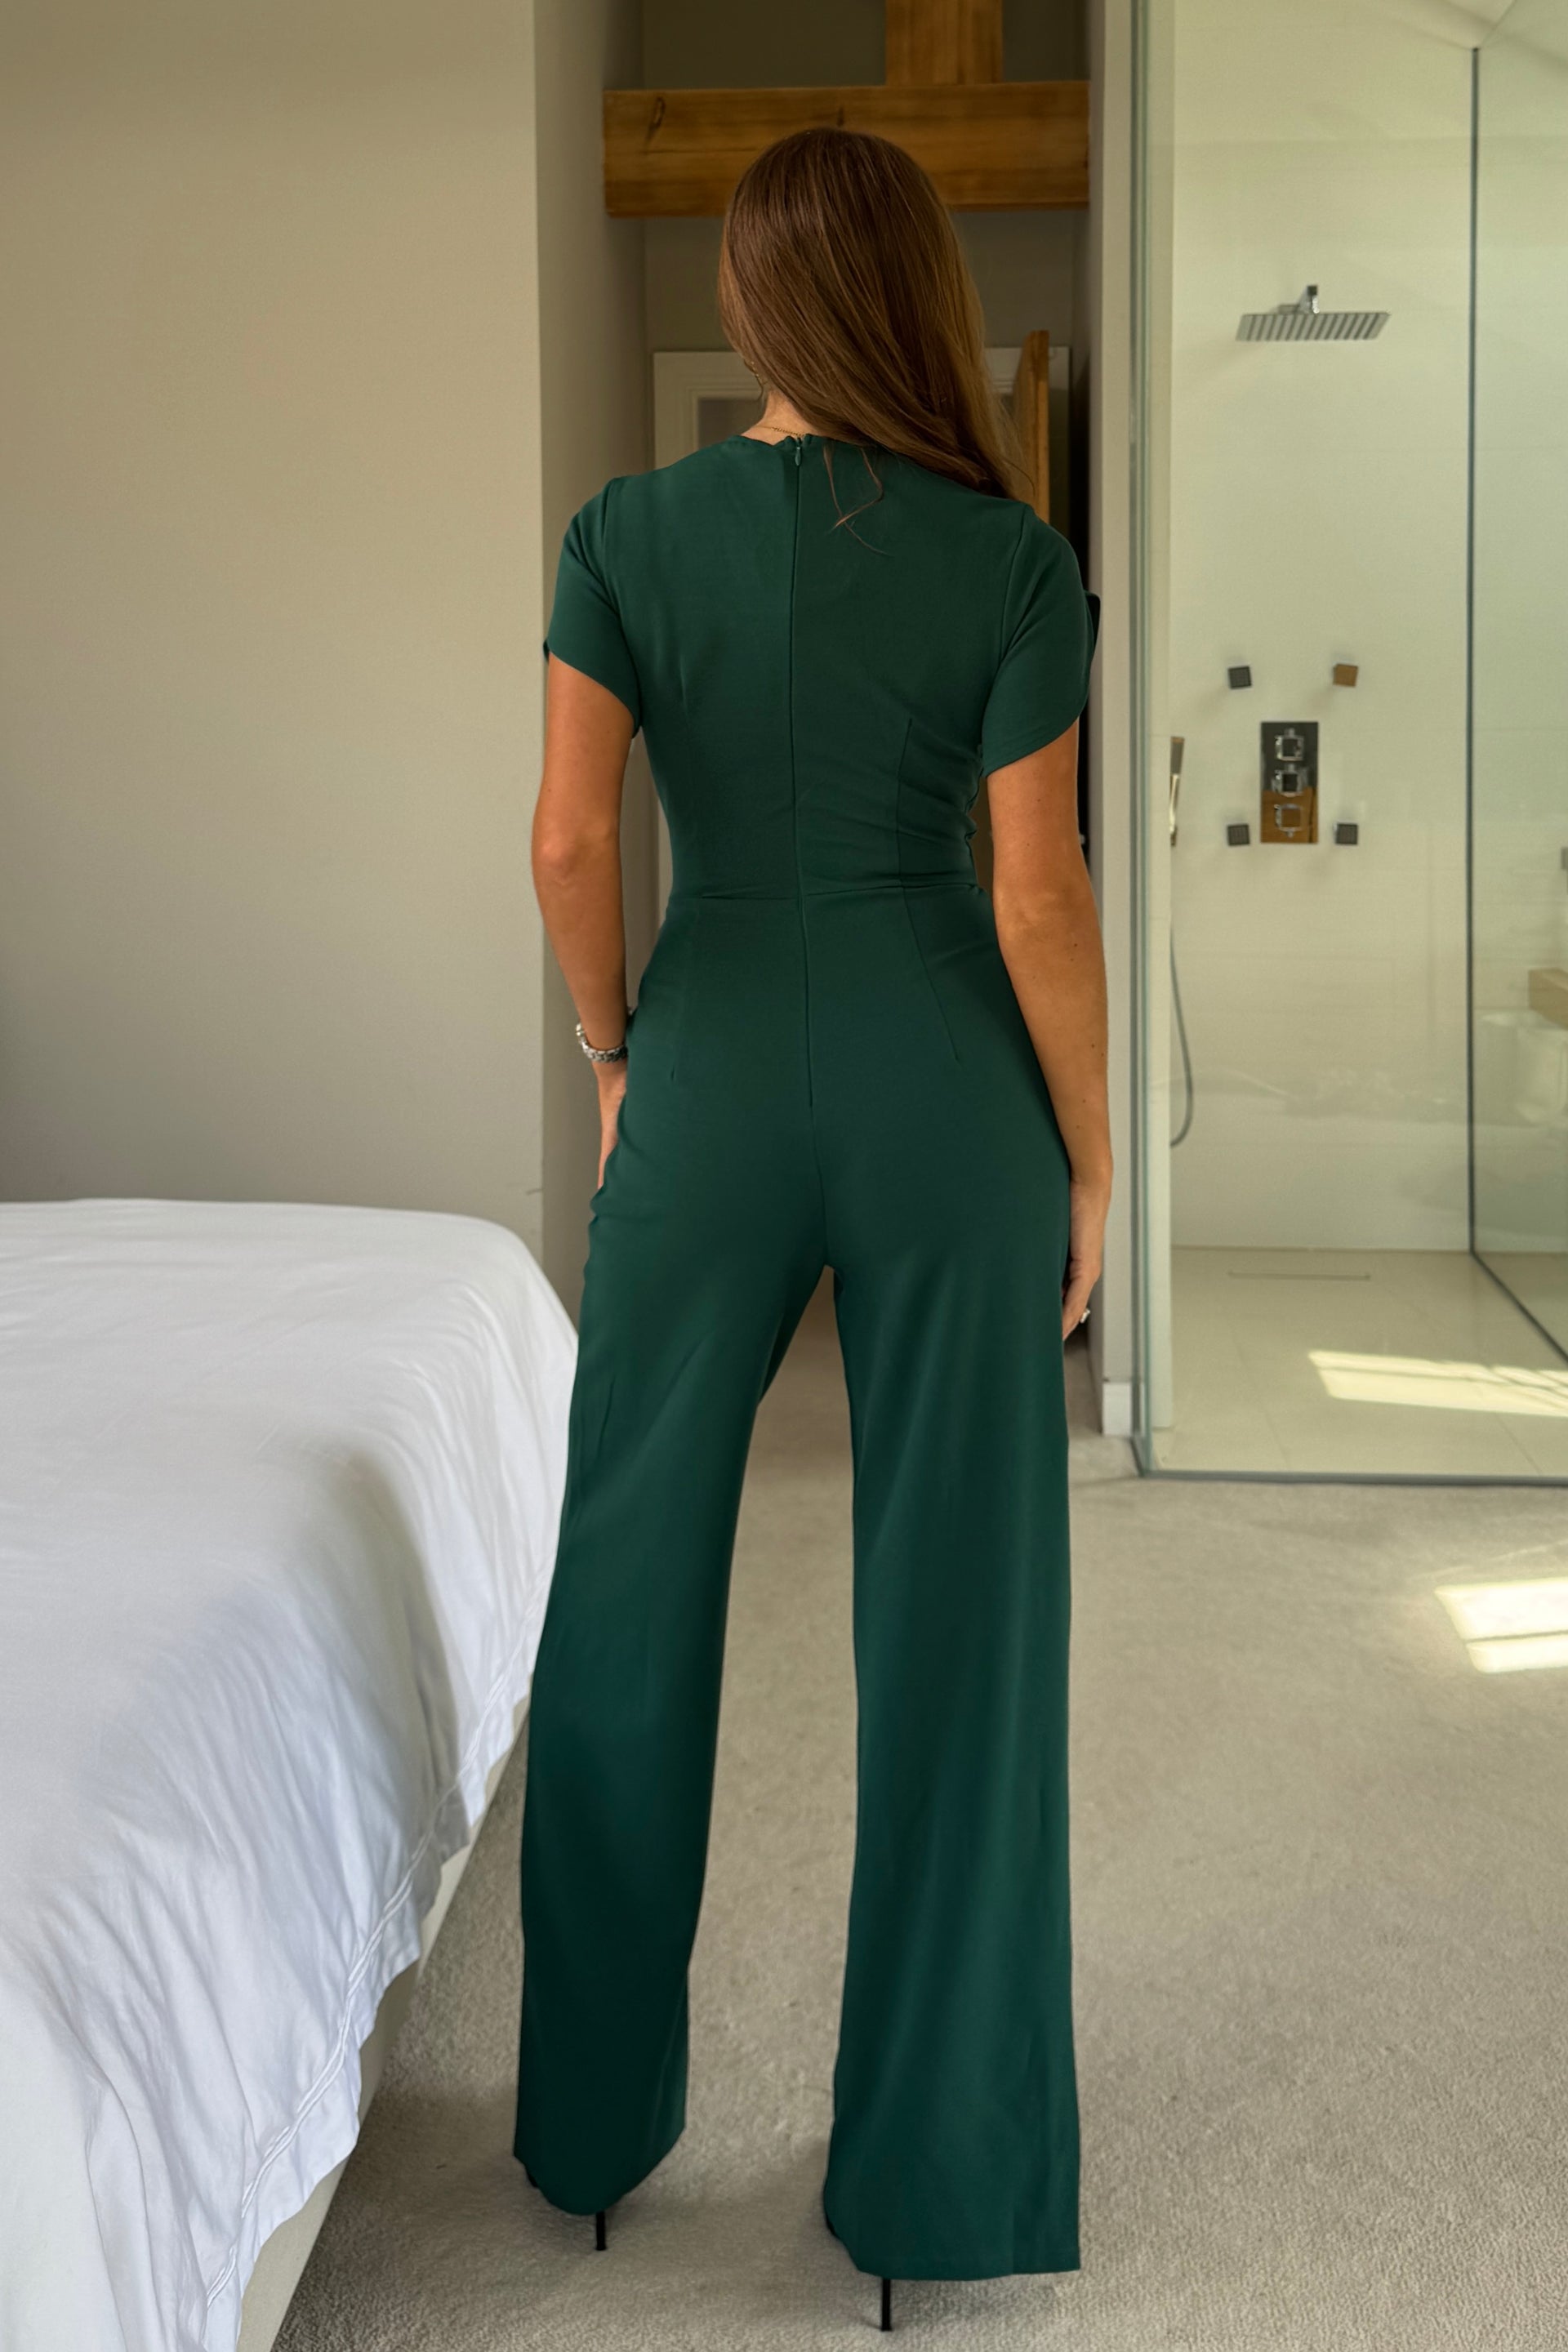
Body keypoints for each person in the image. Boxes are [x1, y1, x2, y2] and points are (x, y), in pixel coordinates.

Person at [514, 123, 1110, 2326]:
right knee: (963, 1619)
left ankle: (591, 2133)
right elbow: (1036, 897)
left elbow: (573, 842)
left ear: (752, 304)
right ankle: (936, 2188)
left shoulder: (624, 534)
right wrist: (1096, 1160)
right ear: (919, 298)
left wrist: (614, 1054)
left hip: (716, 1066)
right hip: (948, 1082)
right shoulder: (1011, 557)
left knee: (625, 1576)